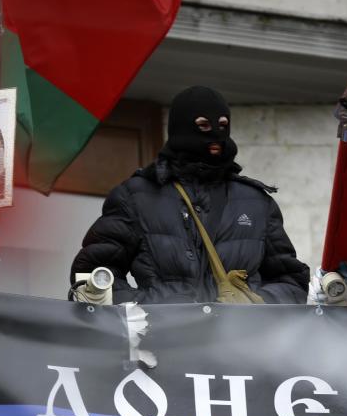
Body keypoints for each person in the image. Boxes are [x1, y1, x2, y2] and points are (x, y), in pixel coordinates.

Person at [70, 86, 309, 304]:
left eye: (223, 126)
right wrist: (148, 309)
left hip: (240, 347)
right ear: (182, 128)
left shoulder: (257, 202)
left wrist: (255, 302)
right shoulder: (136, 196)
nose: (215, 134)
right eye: (204, 125)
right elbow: (91, 274)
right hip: (162, 345)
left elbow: (292, 281)